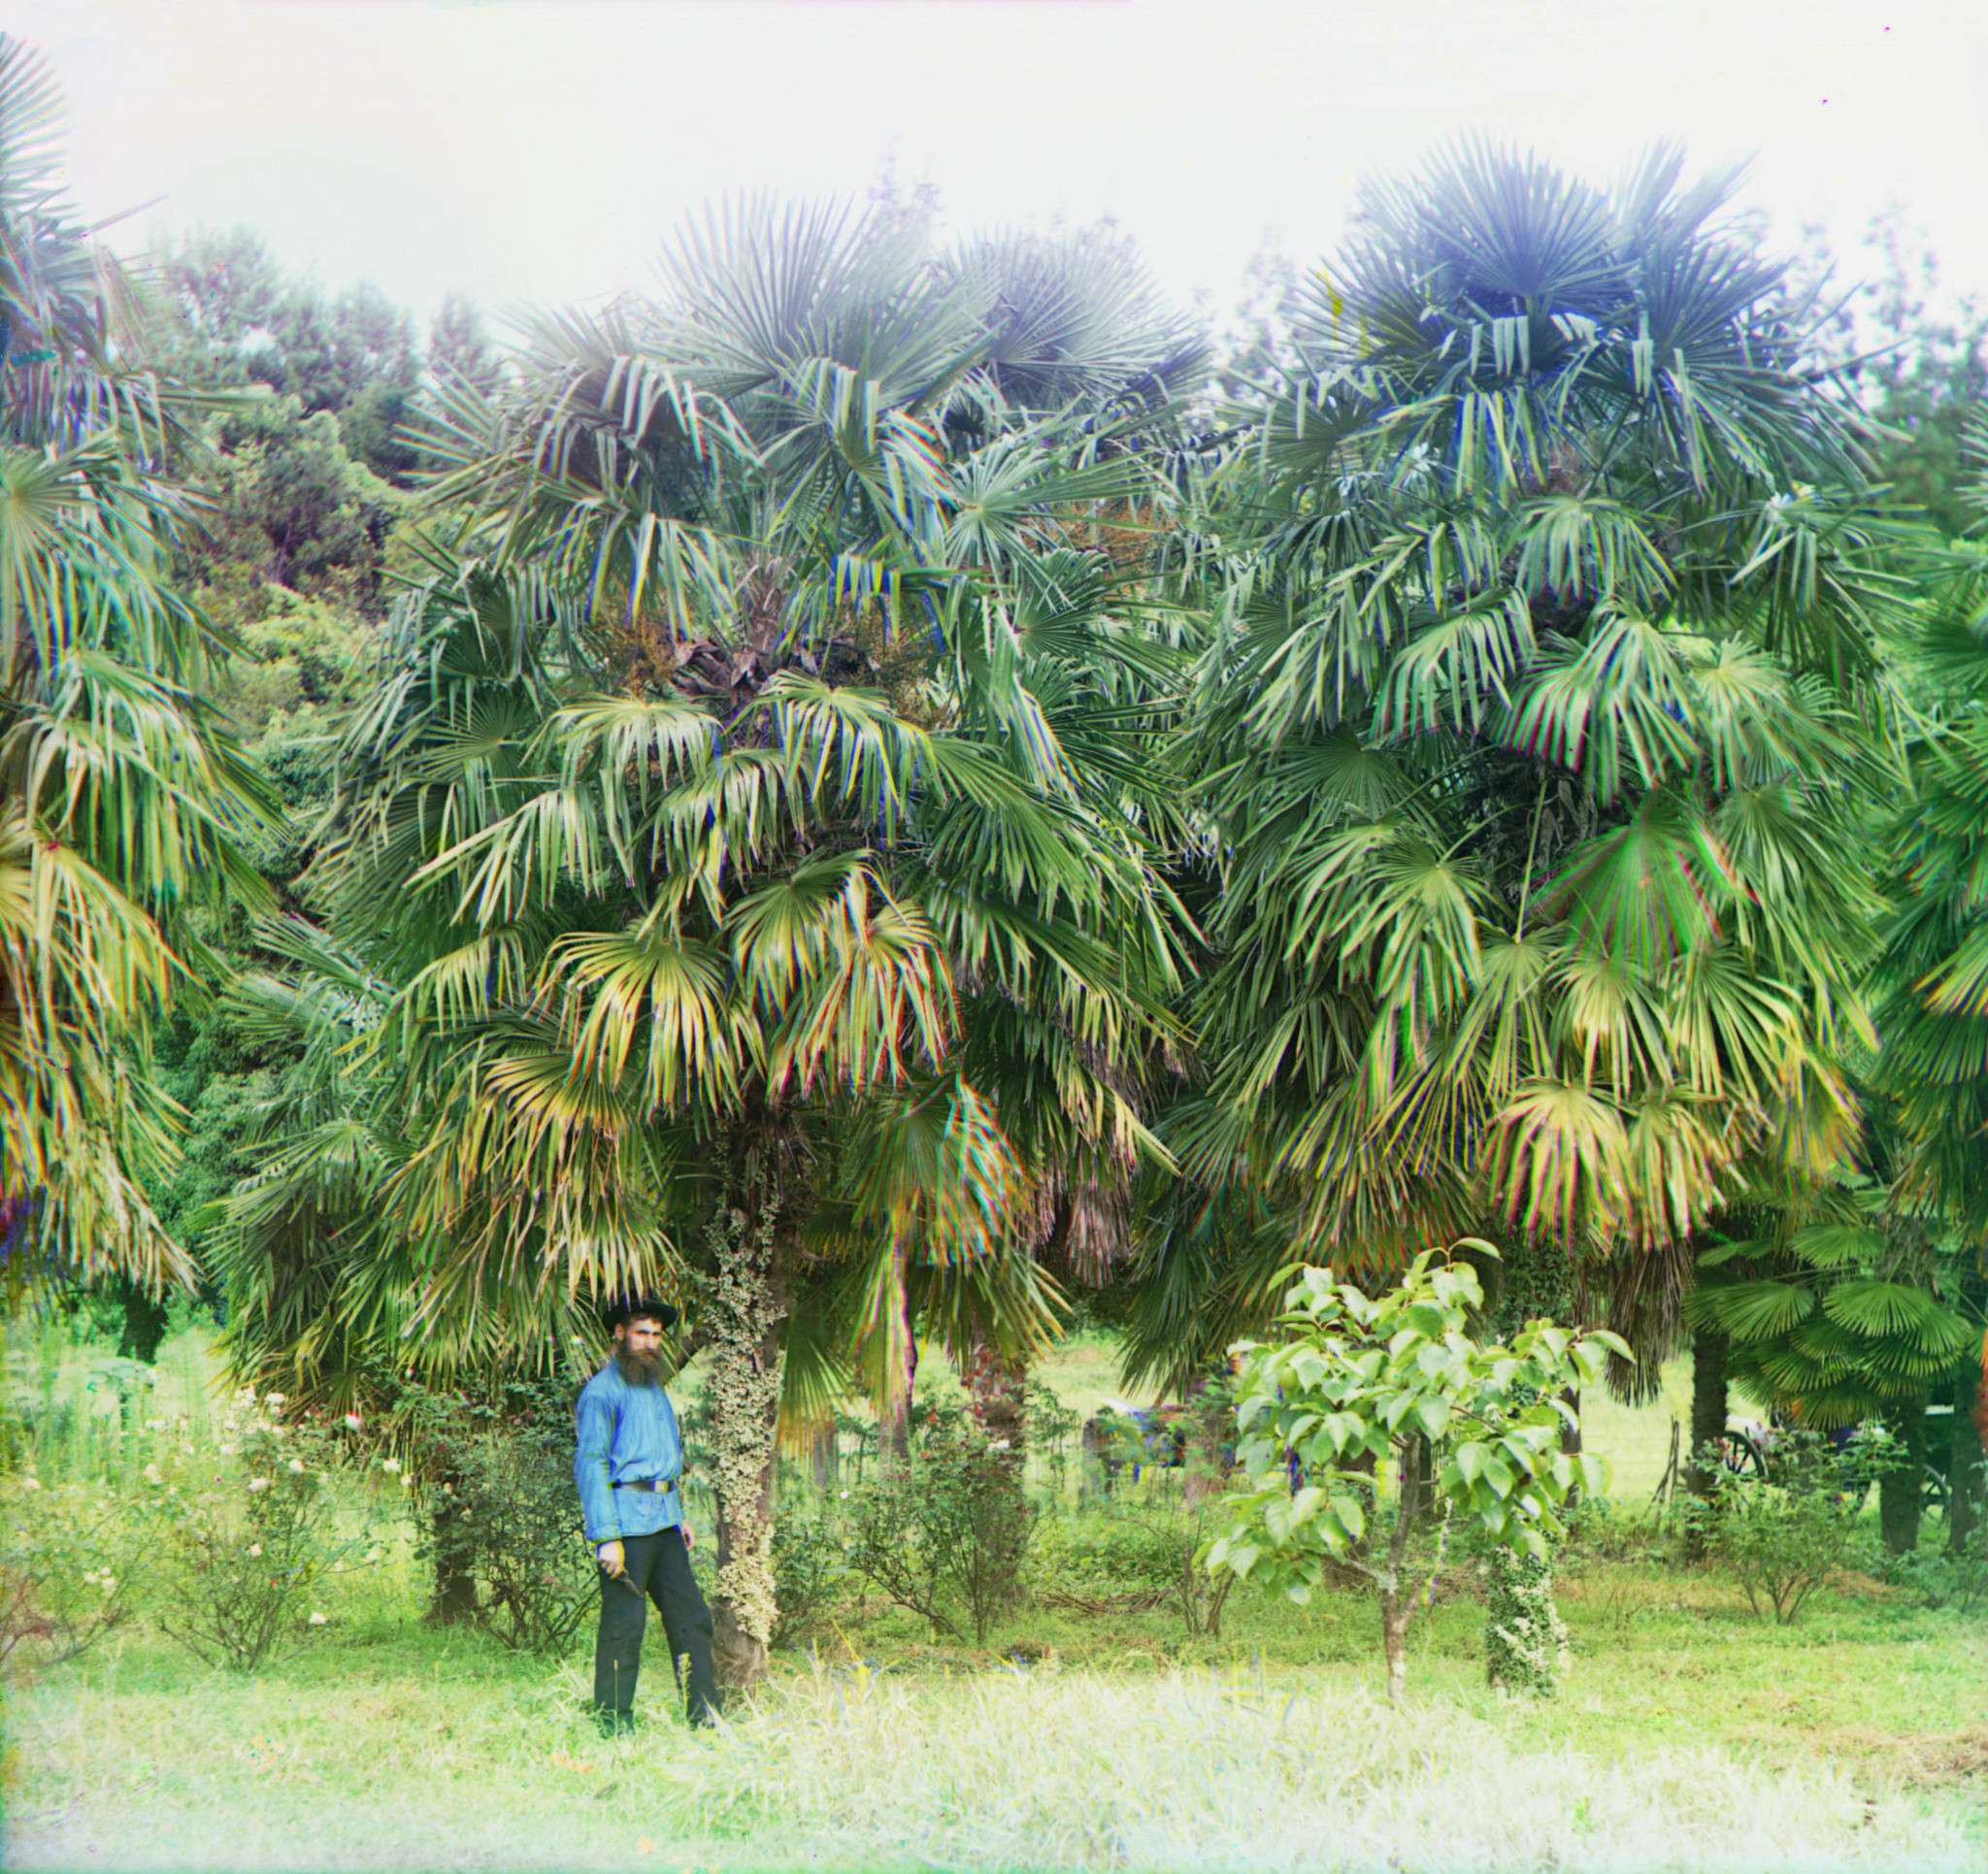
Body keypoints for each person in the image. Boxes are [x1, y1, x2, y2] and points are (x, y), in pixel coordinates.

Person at [574, 1293, 718, 1732]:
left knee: (691, 1618)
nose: (650, 1342)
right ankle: (613, 1722)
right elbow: (591, 1463)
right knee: (624, 1626)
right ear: (619, 1334)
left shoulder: (654, 1387)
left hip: (664, 1522)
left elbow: (662, 1462)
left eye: (656, 1334)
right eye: (641, 1333)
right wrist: (605, 1537)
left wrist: (679, 1515)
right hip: (625, 1526)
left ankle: (705, 1718)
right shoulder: (601, 1393)